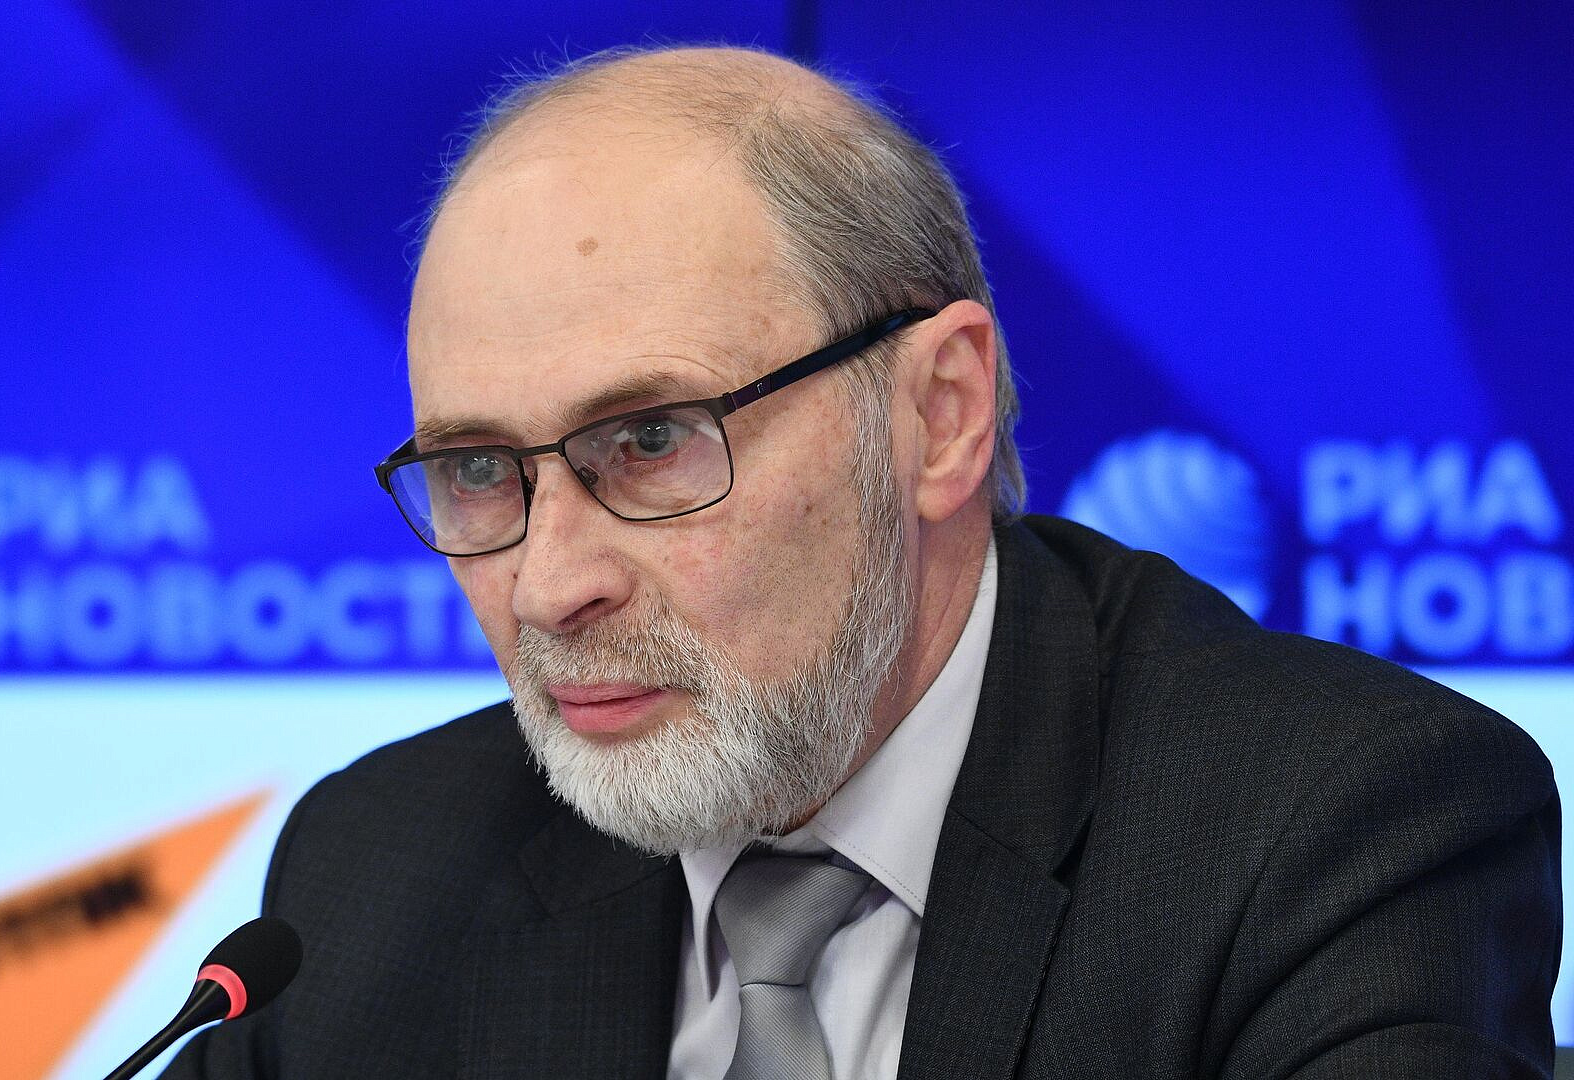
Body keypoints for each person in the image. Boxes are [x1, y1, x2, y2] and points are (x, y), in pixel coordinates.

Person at [163, 45, 1560, 1079]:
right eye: (480, 470)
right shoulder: (375, 878)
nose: (548, 585)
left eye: (650, 441)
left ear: (938, 415)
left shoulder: (1335, 836)